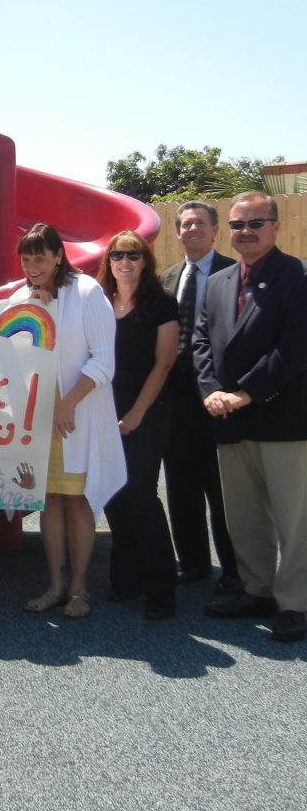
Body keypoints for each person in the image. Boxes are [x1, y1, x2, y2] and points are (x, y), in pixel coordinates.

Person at [194, 192, 307, 643]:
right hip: (228, 419)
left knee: (294, 519)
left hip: (283, 419)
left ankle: (296, 602)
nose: (246, 232)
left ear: (276, 226)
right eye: (238, 224)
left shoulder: (298, 276)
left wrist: (243, 394)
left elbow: (294, 349)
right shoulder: (218, 282)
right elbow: (200, 342)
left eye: (255, 223)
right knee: (244, 515)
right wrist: (211, 393)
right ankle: (257, 589)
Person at [17, 222, 126, 620]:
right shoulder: (21, 296)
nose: (32, 267)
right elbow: (4, 347)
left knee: (78, 501)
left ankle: (80, 587)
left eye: (40, 258)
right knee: (48, 499)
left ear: (58, 256)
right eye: (26, 260)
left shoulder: (87, 292)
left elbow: (104, 360)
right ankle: (54, 585)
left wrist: (69, 403)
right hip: (39, 419)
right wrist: (35, 308)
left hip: (77, 416)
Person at [96, 231, 179, 620]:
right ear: (108, 261)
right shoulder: (99, 301)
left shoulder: (161, 302)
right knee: (113, 494)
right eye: (117, 255)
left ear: (145, 260)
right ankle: (127, 578)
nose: (124, 262)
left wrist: (136, 414)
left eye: (133, 255)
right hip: (103, 413)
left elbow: (164, 363)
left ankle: (161, 590)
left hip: (147, 411)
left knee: (142, 496)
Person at [160, 200, 240, 592]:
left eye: (199, 224)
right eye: (185, 224)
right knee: (181, 483)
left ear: (215, 229)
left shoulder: (234, 273)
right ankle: (192, 563)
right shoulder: (168, 277)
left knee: (222, 488)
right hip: (175, 396)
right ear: (177, 232)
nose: (192, 229)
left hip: (219, 395)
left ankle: (235, 571)